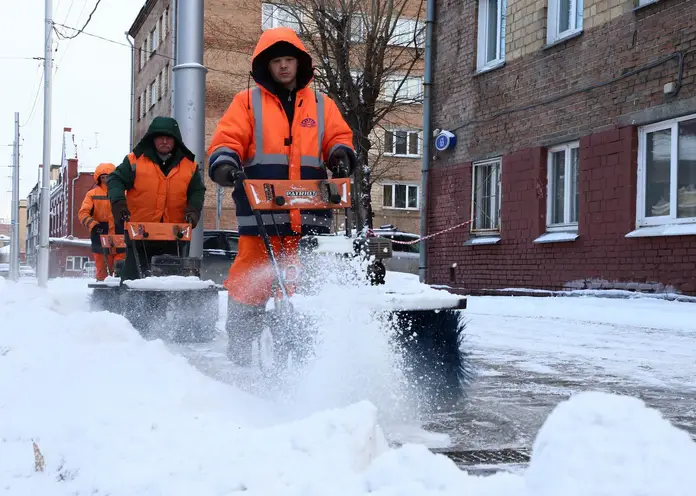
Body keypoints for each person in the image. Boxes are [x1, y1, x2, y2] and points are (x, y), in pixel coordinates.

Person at [207, 26, 357, 365]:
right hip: (261, 218)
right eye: (277, 61)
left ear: (300, 63)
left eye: (289, 59)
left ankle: (307, 357)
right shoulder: (246, 103)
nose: (285, 67)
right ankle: (242, 352)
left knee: (304, 288)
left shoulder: (322, 104)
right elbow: (226, 140)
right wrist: (226, 163)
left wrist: (340, 154)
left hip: (309, 218)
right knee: (249, 283)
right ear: (266, 65)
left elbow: (338, 137)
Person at [108, 116, 206, 281]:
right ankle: (125, 305)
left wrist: (193, 210)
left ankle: (170, 307)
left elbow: (197, 190)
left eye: (169, 138)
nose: (165, 141)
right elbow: (115, 180)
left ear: (176, 141)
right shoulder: (134, 161)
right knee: (133, 278)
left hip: (174, 234)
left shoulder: (189, 166)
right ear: (152, 139)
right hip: (139, 233)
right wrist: (118, 203)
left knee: (173, 280)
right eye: (160, 137)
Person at [78, 162, 125, 281]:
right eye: (102, 177)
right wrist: (93, 225)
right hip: (100, 233)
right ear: (98, 178)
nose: (105, 180)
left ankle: (122, 292)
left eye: (108, 176)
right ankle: (101, 294)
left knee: (122, 266)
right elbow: (83, 213)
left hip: (120, 233)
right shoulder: (92, 194)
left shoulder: (124, 193)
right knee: (102, 270)